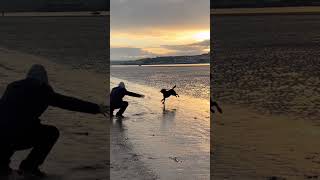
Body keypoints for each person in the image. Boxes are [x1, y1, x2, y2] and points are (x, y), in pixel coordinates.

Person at [0, 64, 108, 177]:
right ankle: (29, 167)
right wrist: (96, 108)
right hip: (16, 136)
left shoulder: (12, 86)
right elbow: (68, 102)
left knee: (9, 126)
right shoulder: (42, 90)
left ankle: (3, 167)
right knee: (51, 133)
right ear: (44, 79)